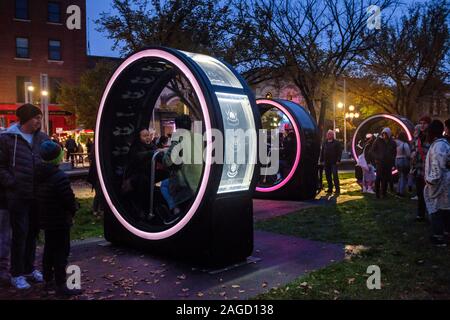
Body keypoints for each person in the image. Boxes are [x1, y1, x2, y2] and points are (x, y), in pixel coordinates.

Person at [0, 104, 49, 289]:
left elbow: (50, 158)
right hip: (17, 196)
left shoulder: (42, 137)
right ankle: (16, 273)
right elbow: (1, 166)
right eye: (36, 117)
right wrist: (12, 183)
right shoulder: (7, 138)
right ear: (26, 118)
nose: (39, 121)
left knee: (32, 234)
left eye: (40, 118)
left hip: (37, 194)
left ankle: (29, 268)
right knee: (19, 234)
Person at [35, 141, 82, 296]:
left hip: (46, 219)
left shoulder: (38, 174)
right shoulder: (59, 176)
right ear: (58, 158)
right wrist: (74, 209)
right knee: (61, 251)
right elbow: (67, 199)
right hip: (60, 220)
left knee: (49, 249)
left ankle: (48, 280)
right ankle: (61, 285)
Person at [161, 115, 202, 224]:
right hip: (200, 182)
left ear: (177, 126)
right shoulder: (199, 138)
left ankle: (175, 210)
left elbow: (167, 161)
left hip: (186, 185)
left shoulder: (178, 138)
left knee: (163, 185)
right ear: (190, 126)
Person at [423, 120, 450, 246]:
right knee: (444, 209)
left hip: (440, 185)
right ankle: (444, 233)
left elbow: (437, 166)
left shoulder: (439, 146)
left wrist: (431, 180)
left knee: (437, 210)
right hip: (443, 183)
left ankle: (438, 236)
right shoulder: (441, 144)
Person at [411, 116, 432, 220]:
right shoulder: (418, 137)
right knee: (420, 193)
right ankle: (421, 214)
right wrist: (413, 154)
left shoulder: (432, 138)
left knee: (429, 194)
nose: (422, 125)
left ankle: (431, 214)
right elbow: (413, 149)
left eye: (425, 123)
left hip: (429, 171)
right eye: (421, 123)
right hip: (419, 169)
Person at [370, 127, 397, 199]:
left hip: (388, 163)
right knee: (378, 178)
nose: (384, 136)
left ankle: (384, 193)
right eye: (383, 134)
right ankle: (377, 194)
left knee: (385, 179)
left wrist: (392, 160)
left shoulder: (392, 142)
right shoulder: (378, 140)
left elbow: (394, 152)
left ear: (389, 134)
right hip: (380, 162)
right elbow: (372, 151)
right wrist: (377, 157)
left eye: (386, 134)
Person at [320, 130, 342, 194]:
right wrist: (321, 160)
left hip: (334, 162)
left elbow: (339, 152)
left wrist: (338, 160)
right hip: (326, 162)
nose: (328, 135)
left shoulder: (336, 143)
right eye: (328, 134)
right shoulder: (325, 142)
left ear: (332, 135)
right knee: (328, 176)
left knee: (335, 176)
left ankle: (337, 189)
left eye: (330, 134)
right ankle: (330, 188)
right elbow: (322, 152)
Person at [395, 131, 411, 197]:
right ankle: (401, 192)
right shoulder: (405, 144)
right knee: (403, 176)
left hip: (396, 160)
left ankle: (398, 190)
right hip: (403, 160)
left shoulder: (395, 143)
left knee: (400, 176)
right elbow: (408, 154)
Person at [0, 182, 10, 286]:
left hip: (5, 203)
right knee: (4, 237)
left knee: (4, 238)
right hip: (4, 203)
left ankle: (3, 269)